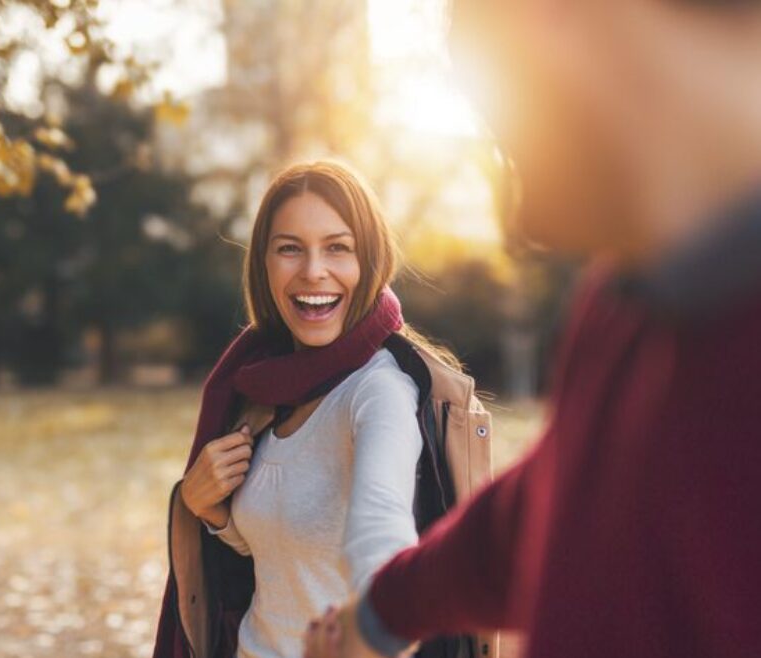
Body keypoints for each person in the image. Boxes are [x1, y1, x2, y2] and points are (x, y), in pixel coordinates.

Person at [304, 1, 761, 657]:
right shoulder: (626, 301)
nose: (512, 206)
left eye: (502, 128)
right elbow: (548, 505)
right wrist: (379, 616)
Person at [151, 160, 498, 658]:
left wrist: (383, 621)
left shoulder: (379, 391)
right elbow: (287, 555)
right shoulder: (261, 389)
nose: (313, 271)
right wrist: (211, 513)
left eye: (338, 248)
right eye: (290, 248)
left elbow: (382, 523)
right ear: (264, 264)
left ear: (370, 261)